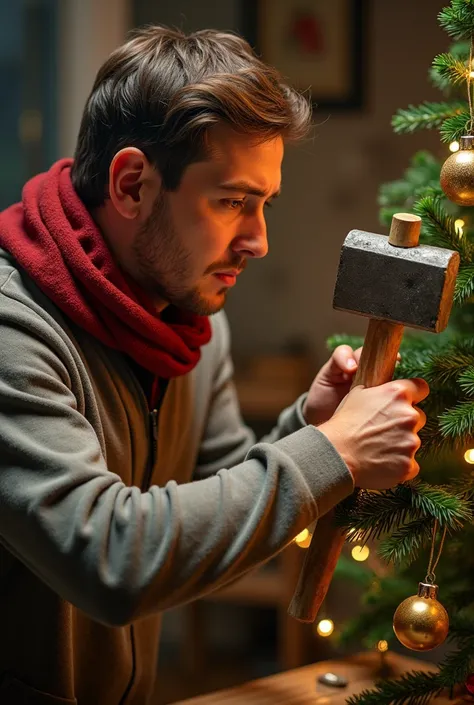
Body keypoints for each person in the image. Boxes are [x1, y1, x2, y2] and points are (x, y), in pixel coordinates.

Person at [0, 25, 427, 705]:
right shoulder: (13, 328)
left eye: (265, 204)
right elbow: (113, 560)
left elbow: (211, 526)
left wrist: (305, 425)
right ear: (133, 183)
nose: (258, 240)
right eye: (232, 201)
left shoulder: (193, 325)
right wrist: (329, 453)